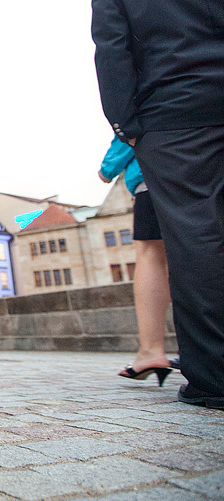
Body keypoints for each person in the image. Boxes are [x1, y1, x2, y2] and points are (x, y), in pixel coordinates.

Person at [93, 0, 224, 408]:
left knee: (193, 238)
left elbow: (113, 49)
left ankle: (215, 374)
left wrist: (126, 126)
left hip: (177, 107)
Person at [98, 137, 174, 385]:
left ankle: (152, 351)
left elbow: (129, 128)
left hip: (156, 171)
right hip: (208, 167)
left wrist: (105, 170)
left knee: (151, 255)